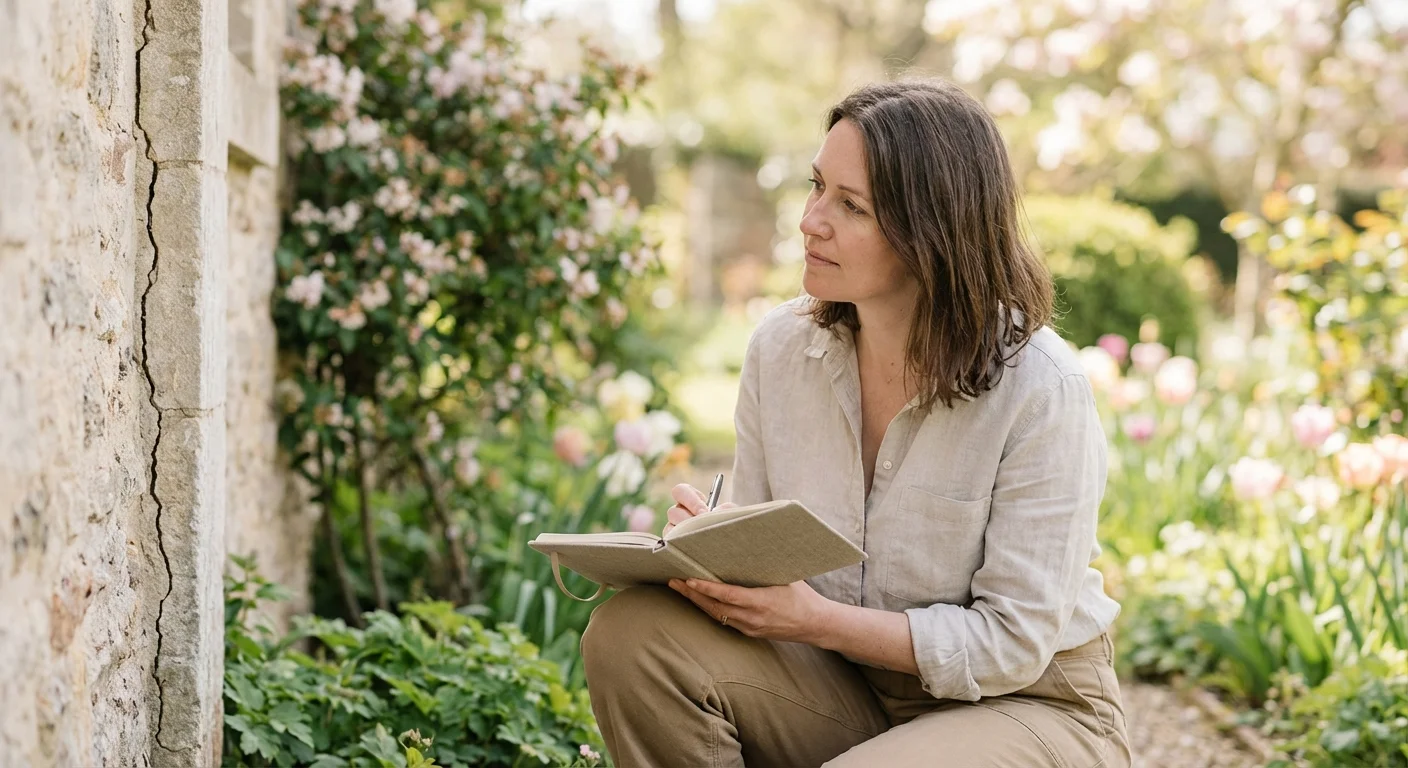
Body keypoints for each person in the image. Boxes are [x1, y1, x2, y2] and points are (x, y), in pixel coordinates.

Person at [579, 77, 1130, 768]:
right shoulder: (780, 351)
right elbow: (768, 552)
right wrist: (710, 551)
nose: (811, 220)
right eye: (817, 188)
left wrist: (817, 621)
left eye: (851, 206)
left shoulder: (1042, 388)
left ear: (933, 231)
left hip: (1027, 706)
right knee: (632, 634)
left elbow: (1011, 646)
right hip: (846, 687)